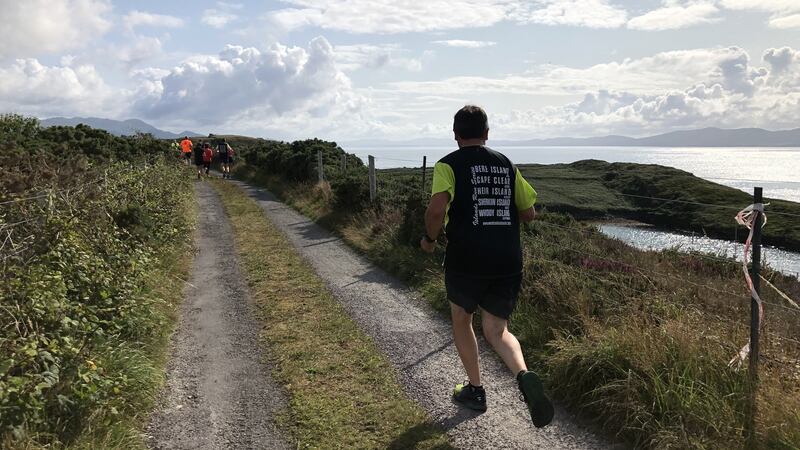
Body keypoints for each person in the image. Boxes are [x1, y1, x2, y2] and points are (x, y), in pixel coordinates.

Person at [420, 105, 554, 428]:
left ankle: (476, 391)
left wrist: (429, 239)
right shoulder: (506, 164)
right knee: (497, 330)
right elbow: (529, 212)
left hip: (466, 259)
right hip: (507, 260)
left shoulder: (447, 165)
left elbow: (437, 210)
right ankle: (523, 375)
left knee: (462, 318)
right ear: (487, 134)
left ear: (455, 135)